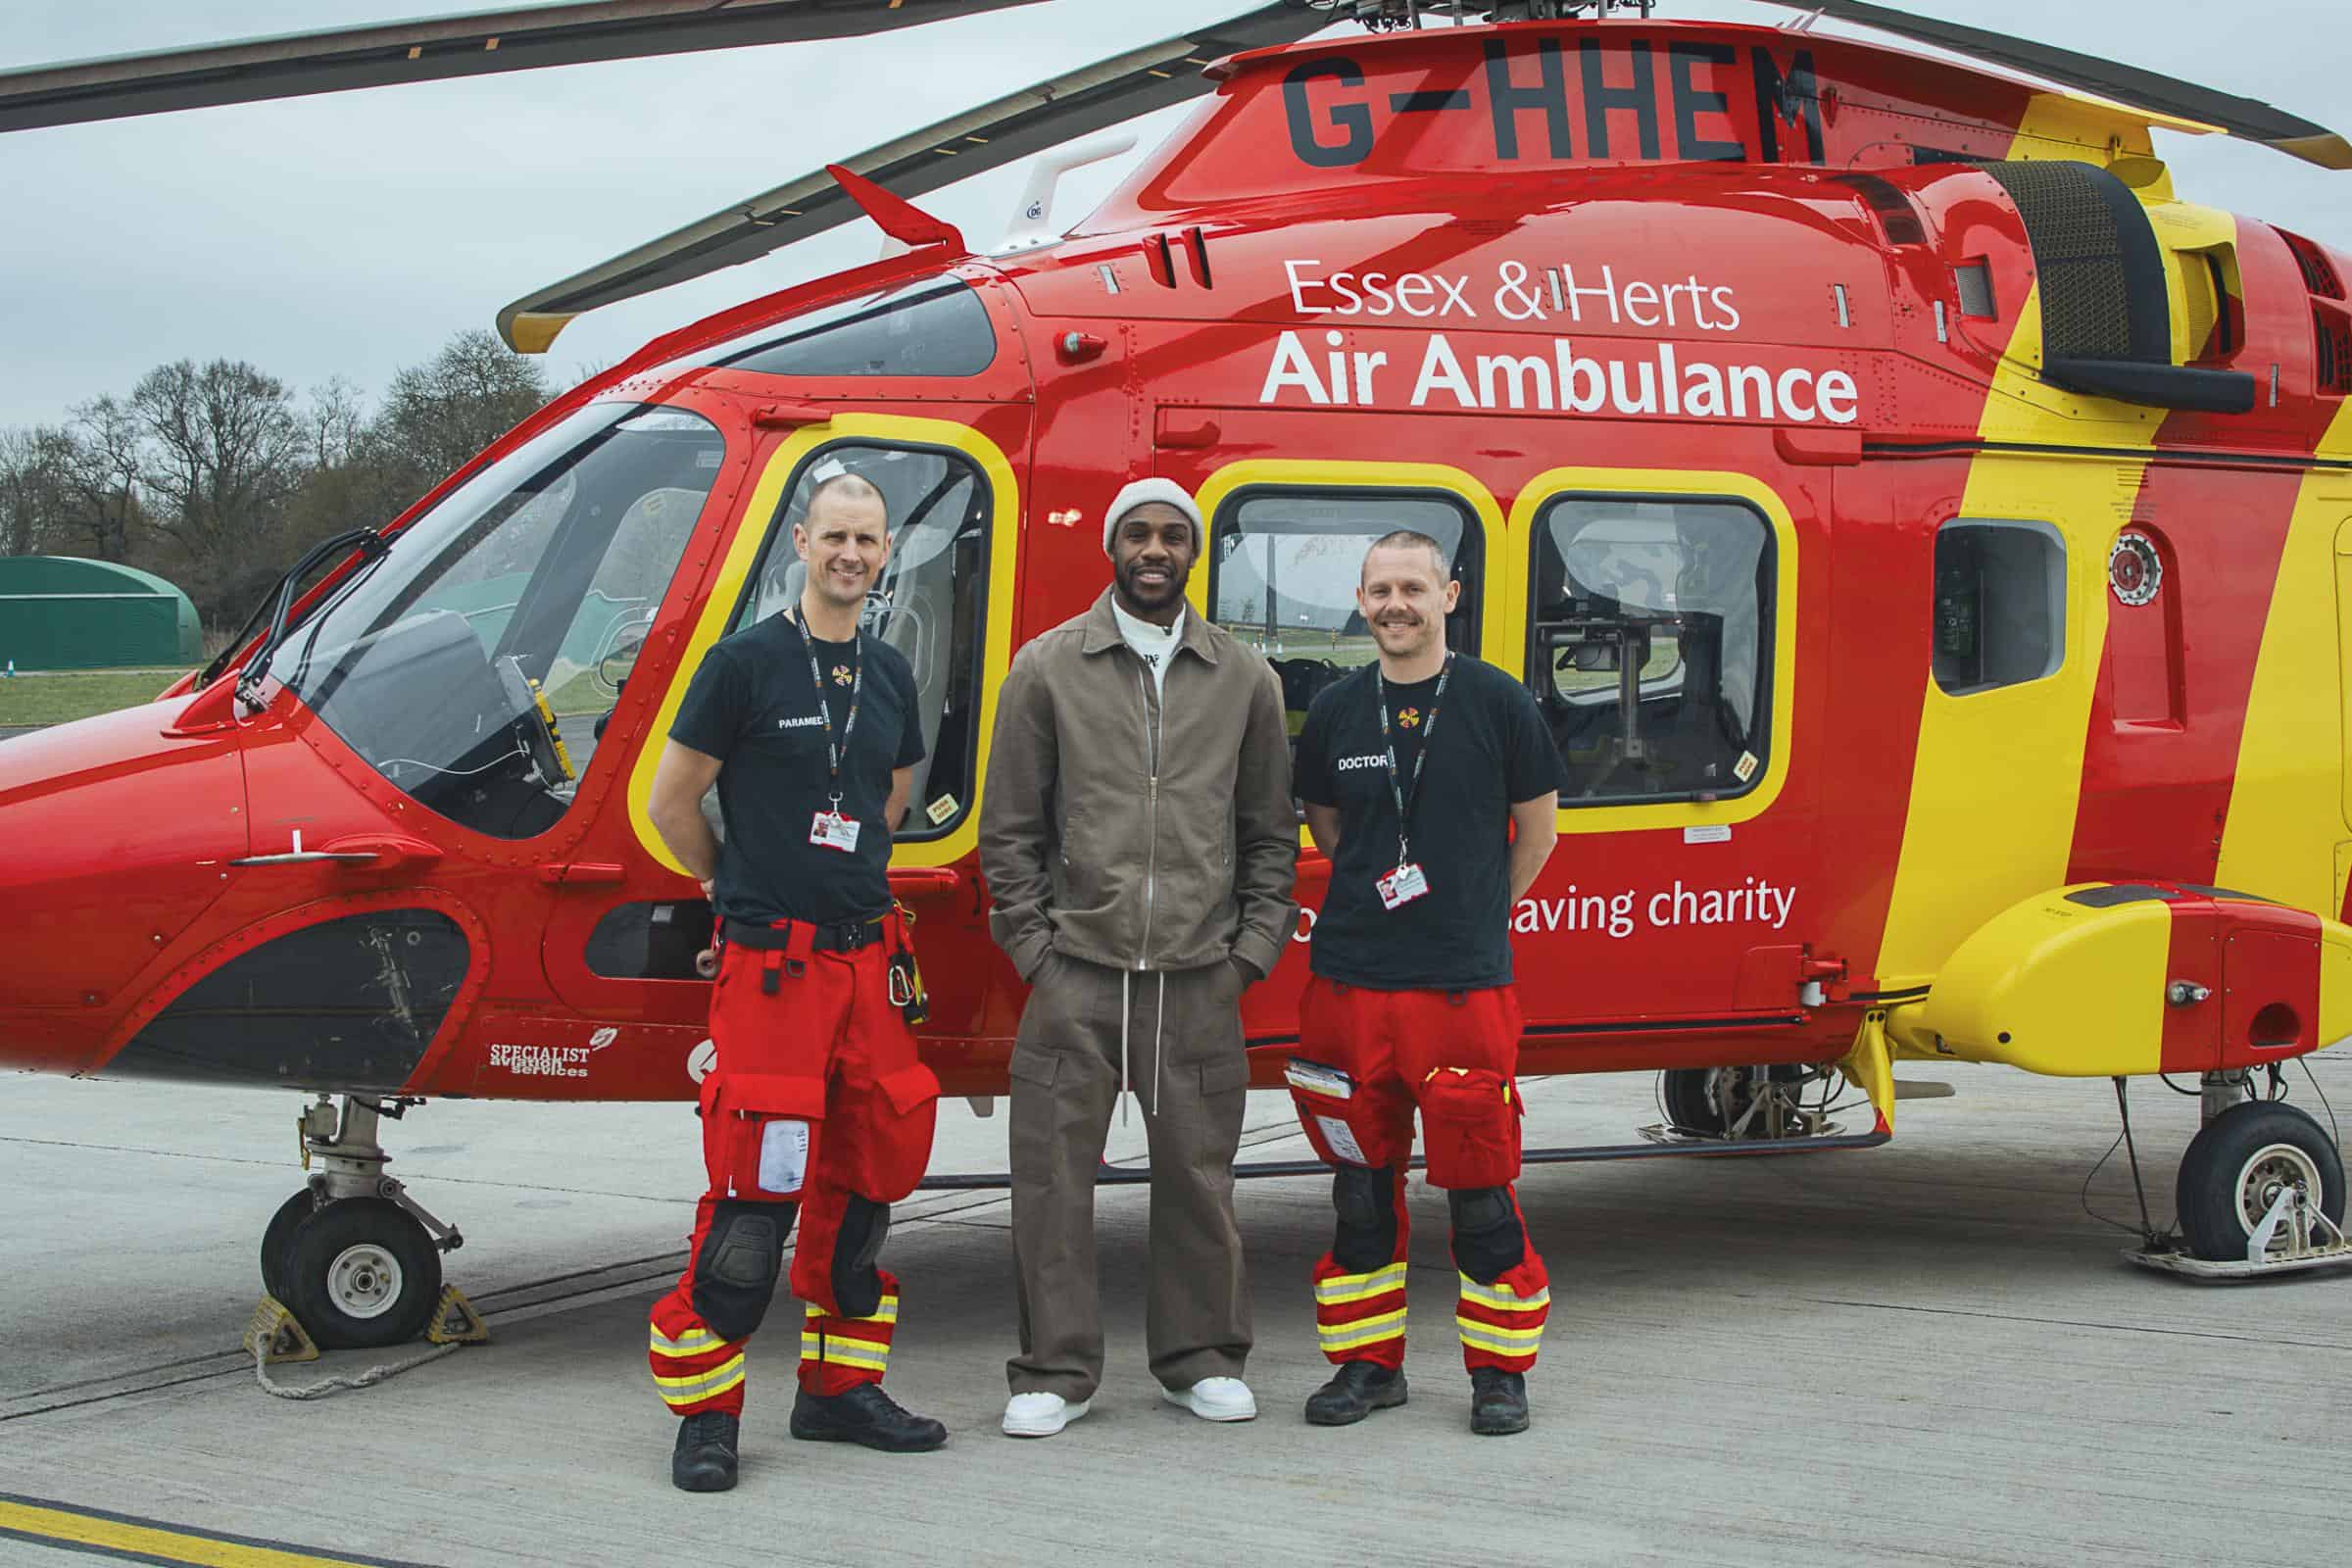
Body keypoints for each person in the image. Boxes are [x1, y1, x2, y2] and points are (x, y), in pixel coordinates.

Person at [642, 471, 946, 1493]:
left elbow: (889, 794)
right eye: (835, 537)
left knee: (864, 1191)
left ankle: (837, 1393)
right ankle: (707, 1416)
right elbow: (672, 801)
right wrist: (726, 883)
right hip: (773, 968)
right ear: (802, 545)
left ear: (886, 551)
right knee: (752, 1205)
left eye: (868, 539)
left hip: (868, 962)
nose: (851, 554)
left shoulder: (890, 672)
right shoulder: (742, 664)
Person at [979, 476, 1298, 1439]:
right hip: (1075, 972)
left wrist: (1248, 955)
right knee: (1050, 1183)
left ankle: (1202, 1361)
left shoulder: (1245, 678)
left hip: (1199, 978)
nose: (1155, 549)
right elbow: (1009, 831)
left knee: (1199, 1180)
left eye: (1173, 535)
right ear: (1112, 547)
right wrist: (1036, 951)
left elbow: (1269, 835)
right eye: (1138, 534)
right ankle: (1055, 1371)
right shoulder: (1047, 668)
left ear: (1196, 552)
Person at [1284, 529, 1563, 1437]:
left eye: (1413, 587)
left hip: (1461, 992)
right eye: (1380, 590)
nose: (1395, 604)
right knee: (1360, 1190)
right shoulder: (1336, 710)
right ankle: (1368, 1367)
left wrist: (1475, 915)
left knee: (1481, 1193)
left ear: (1448, 596)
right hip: (1350, 986)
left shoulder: (1498, 702)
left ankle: (1499, 1374)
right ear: (1361, 603)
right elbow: (1329, 829)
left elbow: (1539, 833)